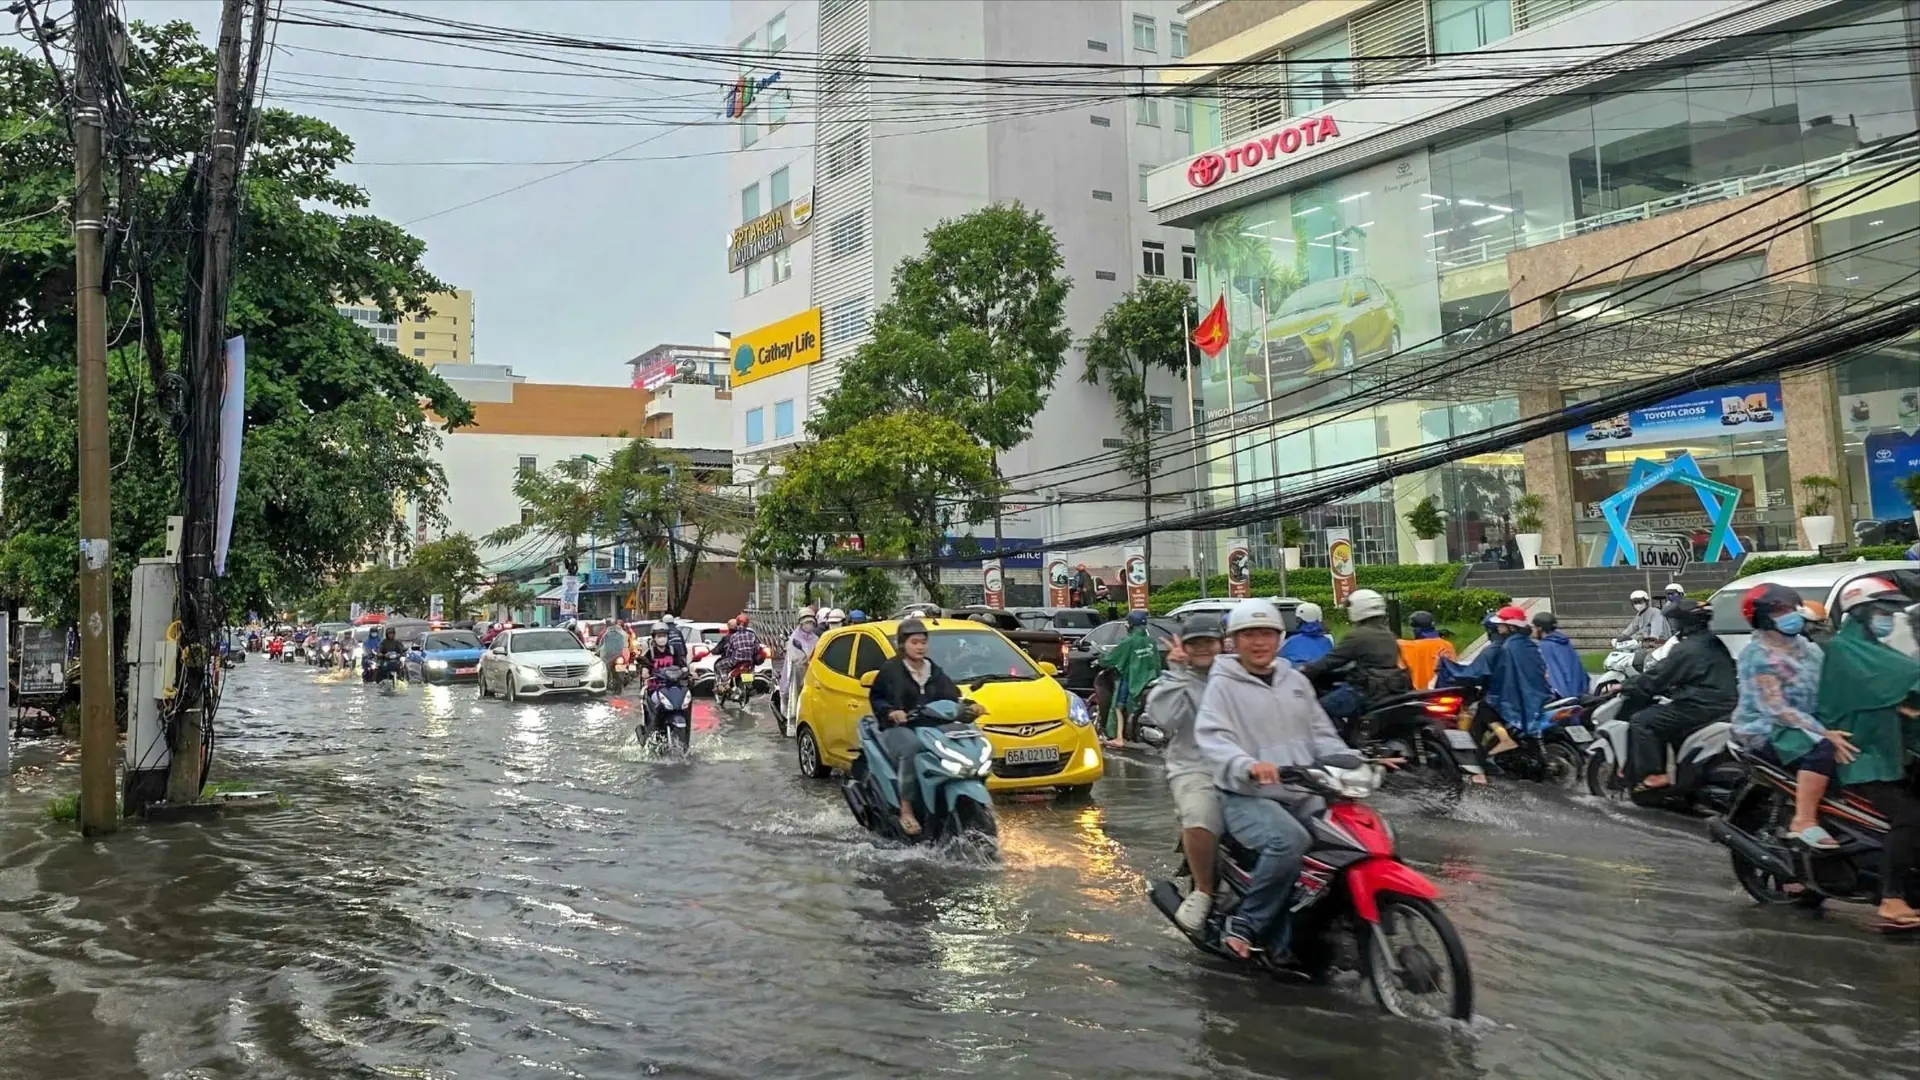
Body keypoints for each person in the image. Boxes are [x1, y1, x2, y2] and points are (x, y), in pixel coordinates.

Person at [1193, 599, 1350, 960]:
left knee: (1351, 842)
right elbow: (1213, 738)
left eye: (1266, 633)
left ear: (1280, 637)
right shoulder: (1222, 685)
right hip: (1245, 794)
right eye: (1249, 634)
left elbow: (1321, 732)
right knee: (1289, 840)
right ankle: (1245, 923)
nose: (1259, 642)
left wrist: (1351, 760)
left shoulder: (1294, 681)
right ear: (1235, 640)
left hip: (1302, 789)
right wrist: (1247, 764)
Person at [1814, 577, 1920, 929]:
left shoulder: (1875, 647)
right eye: (1881, 611)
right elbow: (1903, 676)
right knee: (1910, 818)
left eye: (1892, 612)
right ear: (1859, 613)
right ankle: (1890, 899)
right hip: (1861, 756)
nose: (1888, 618)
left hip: (1888, 750)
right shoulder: (1846, 649)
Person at [1144, 614, 1226, 933]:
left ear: (1222, 643)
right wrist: (1177, 672)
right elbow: (1164, 717)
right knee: (1201, 816)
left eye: (1209, 641)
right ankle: (1204, 891)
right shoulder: (1174, 679)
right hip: (1195, 767)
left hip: (1245, 765)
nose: (1203, 648)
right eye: (1195, 643)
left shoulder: (1239, 674)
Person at [867, 617, 968, 837]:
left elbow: (951, 695)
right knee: (912, 749)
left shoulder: (933, 670)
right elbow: (876, 697)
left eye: (923, 642)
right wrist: (891, 712)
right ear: (903, 644)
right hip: (897, 728)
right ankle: (906, 808)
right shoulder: (891, 670)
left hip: (930, 726)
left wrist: (968, 707)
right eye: (915, 642)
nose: (920, 646)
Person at [1624, 597, 1737, 792]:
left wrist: (1625, 686)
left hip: (1701, 706)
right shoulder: (1714, 642)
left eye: (1676, 621)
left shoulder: (1686, 648)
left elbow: (1657, 677)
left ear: (1685, 623)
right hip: (1725, 704)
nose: (1675, 626)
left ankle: (1654, 775)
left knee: (1642, 721)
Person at [1299, 589, 1413, 717]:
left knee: (1317, 711)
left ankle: (1333, 737)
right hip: (1390, 689)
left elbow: (1331, 660)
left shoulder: (1358, 635)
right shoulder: (1389, 634)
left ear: (1358, 609)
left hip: (1366, 691)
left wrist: (1305, 669)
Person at [1095, 609, 1162, 748]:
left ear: (1130, 624)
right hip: (1151, 680)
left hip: (1133, 679)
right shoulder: (1151, 641)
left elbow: (1111, 659)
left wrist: (1101, 659)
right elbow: (1157, 663)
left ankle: (1118, 738)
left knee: (1118, 706)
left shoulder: (1129, 641)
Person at [1533, 611, 1588, 700]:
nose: (1533, 631)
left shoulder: (1545, 646)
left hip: (1562, 695)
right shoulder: (1564, 642)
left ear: (1540, 628)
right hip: (1579, 690)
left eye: (1534, 627)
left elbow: (1550, 672)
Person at [1397, 610, 1455, 691]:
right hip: (1444, 691)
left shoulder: (1404, 646)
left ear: (1415, 629)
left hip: (1418, 694)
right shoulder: (1448, 645)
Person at [783, 610, 820, 713]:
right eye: (807, 623)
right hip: (797, 673)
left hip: (812, 672)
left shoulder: (816, 638)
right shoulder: (794, 639)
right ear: (801, 623)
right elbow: (793, 658)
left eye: (811, 623)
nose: (809, 625)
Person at [716, 615, 761, 689]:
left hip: (735, 661)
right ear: (747, 624)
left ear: (737, 623)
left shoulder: (734, 636)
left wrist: (728, 655)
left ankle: (725, 683)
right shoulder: (752, 635)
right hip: (749, 661)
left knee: (719, 666)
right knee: (751, 668)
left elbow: (729, 650)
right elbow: (757, 648)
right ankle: (749, 683)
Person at [597, 620, 630, 689]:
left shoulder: (605, 633)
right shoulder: (606, 633)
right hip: (617, 655)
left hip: (616, 655)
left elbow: (599, 644)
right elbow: (600, 644)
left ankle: (624, 675)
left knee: (606, 668)